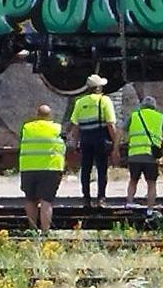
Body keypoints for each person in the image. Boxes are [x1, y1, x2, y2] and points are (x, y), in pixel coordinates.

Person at [66, 75, 120, 208]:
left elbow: (76, 126)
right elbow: (110, 124)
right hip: (100, 138)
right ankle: (101, 198)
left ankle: (86, 198)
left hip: (85, 139)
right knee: (102, 169)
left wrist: (75, 144)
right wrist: (116, 145)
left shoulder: (80, 102)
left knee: (86, 169)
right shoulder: (104, 100)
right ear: (99, 88)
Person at [18, 104, 66, 232]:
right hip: (50, 168)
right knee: (46, 201)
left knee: (30, 199)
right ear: (50, 116)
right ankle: (45, 232)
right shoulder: (56, 128)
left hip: (28, 168)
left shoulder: (27, 127)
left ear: (37, 115)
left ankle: (33, 230)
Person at [124, 94, 163, 209]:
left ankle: (129, 202)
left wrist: (119, 145)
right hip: (151, 157)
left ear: (142, 106)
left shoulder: (134, 115)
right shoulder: (160, 117)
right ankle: (150, 209)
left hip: (134, 155)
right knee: (151, 183)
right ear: (154, 106)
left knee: (133, 180)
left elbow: (122, 130)